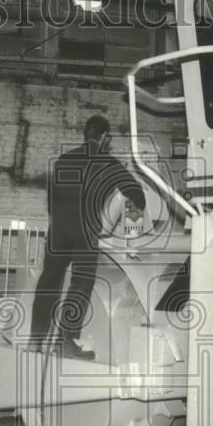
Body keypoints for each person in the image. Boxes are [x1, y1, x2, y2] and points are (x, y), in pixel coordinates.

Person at [29, 115, 146, 359]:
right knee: (80, 285)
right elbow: (137, 196)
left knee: (49, 282)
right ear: (104, 137)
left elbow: (52, 199)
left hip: (58, 231)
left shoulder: (63, 160)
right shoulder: (109, 163)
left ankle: (35, 342)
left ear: (86, 134)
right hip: (85, 231)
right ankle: (66, 342)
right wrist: (132, 236)